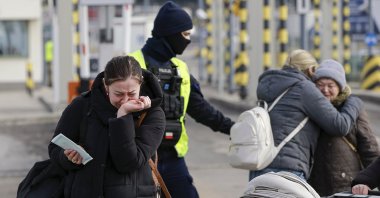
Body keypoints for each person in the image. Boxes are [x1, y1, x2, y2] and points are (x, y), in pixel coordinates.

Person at [129, 1, 234, 197]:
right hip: (140, 157)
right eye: (185, 34)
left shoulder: (181, 69)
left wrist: (232, 128)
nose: (188, 40)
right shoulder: (132, 64)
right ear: (171, 34)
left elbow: (201, 109)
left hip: (174, 158)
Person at [48, 56, 165, 197]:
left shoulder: (152, 114)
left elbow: (128, 162)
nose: (125, 100)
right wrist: (67, 158)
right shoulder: (83, 106)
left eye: (132, 93)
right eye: (119, 94)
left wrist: (123, 115)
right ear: (106, 85)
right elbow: (55, 149)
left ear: (141, 84)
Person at [249, 49, 363, 181]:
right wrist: (354, 101)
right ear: (310, 69)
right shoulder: (304, 88)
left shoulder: (266, 86)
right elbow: (339, 125)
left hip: (259, 165)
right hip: (288, 169)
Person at [308, 59, 380, 196]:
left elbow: (369, 148)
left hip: (345, 183)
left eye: (331, 85)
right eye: (320, 85)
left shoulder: (352, 109)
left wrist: (370, 180)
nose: (325, 90)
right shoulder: (310, 109)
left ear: (340, 87)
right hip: (315, 183)